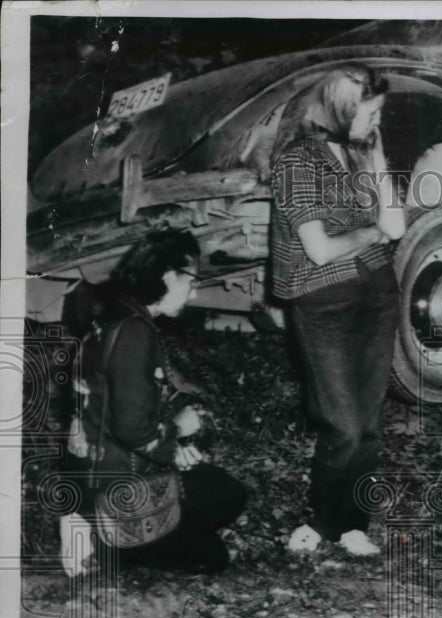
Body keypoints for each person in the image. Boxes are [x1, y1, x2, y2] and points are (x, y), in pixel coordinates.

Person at [270, 64, 406, 556]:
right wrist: (369, 234)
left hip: (378, 294)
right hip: (322, 299)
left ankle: (352, 524)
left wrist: (379, 158)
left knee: (367, 423)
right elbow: (320, 251)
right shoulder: (296, 162)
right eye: (371, 113)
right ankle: (323, 521)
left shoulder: (360, 154)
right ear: (341, 110)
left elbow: (396, 223)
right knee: (342, 423)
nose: (376, 123)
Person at [62, 229, 247, 575]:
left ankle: (125, 532)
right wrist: (180, 427)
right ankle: (107, 545)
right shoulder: (134, 332)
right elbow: (131, 428)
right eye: (192, 280)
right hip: (116, 489)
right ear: (167, 275)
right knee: (212, 558)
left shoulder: (111, 318)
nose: (194, 291)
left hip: (98, 473)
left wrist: (173, 448)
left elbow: (116, 412)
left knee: (224, 490)